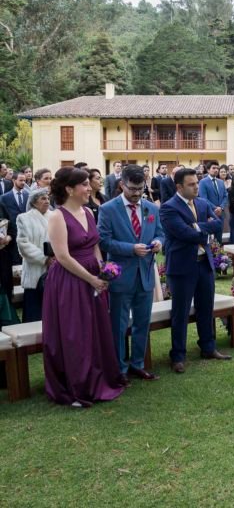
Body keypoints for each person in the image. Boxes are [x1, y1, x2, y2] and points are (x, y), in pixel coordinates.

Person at [43, 167, 124, 407]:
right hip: (69, 281)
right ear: (69, 189)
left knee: (95, 329)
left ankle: (98, 378)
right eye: (85, 185)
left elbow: (95, 246)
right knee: (74, 333)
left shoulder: (88, 211)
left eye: (90, 184)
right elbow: (62, 256)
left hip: (93, 276)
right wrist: (91, 278)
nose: (90, 188)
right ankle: (76, 386)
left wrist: (103, 269)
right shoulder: (57, 216)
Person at [98, 165, 164, 384]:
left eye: (140, 188)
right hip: (120, 276)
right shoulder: (108, 209)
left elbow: (161, 234)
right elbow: (103, 241)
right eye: (132, 189)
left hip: (145, 275)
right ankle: (119, 368)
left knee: (142, 323)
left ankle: (138, 364)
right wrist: (130, 249)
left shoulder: (151, 208)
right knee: (118, 324)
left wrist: (157, 242)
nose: (137, 193)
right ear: (121, 185)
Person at [160, 168, 230, 373]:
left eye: (197, 183)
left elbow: (218, 224)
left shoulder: (202, 202)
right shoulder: (168, 208)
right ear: (179, 187)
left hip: (204, 264)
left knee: (206, 307)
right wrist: (203, 231)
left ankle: (208, 347)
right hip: (182, 267)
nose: (196, 187)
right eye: (191, 184)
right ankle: (178, 355)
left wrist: (196, 228)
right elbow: (182, 233)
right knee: (180, 312)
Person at [16, 188, 52, 322]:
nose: (47, 201)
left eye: (48, 198)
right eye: (43, 198)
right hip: (34, 271)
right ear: (34, 202)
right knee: (34, 314)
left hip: (54, 268)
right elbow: (23, 244)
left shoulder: (54, 216)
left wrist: (55, 257)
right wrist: (44, 259)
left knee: (51, 313)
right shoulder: (24, 218)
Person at [0, 171, 29, 264]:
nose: (23, 182)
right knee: (15, 268)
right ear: (13, 180)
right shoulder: (4, 198)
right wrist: (6, 235)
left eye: (24, 180)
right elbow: (2, 217)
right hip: (12, 238)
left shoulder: (29, 195)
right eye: (20, 180)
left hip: (28, 236)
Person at [199, 161, 228, 243]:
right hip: (209, 214)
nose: (216, 170)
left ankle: (218, 254)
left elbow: (225, 196)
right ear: (208, 170)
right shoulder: (203, 182)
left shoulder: (221, 182)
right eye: (213, 168)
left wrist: (221, 207)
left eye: (217, 168)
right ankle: (209, 255)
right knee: (208, 238)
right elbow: (203, 198)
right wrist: (215, 208)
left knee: (219, 238)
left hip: (220, 213)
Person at [0, 206, 18, 327]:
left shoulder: (1, 207)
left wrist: (8, 238)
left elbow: (12, 229)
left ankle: (6, 320)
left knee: (4, 285)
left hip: (2, 258)